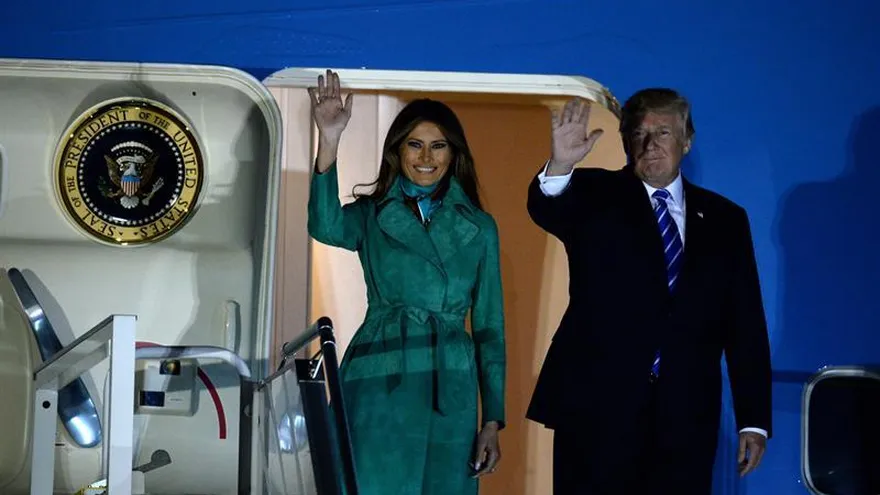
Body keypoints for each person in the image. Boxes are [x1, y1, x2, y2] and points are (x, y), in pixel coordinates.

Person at [525, 90, 772, 494]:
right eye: (639, 134)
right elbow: (548, 208)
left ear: (686, 141)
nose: (650, 144)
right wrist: (561, 165)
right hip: (597, 412)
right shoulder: (592, 195)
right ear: (625, 142)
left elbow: (744, 322)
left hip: (685, 418)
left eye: (663, 132)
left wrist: (754, 418)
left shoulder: (726, 219)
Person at [306, 70, 506, 495]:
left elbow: (490, 328)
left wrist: (492, 420)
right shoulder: (373, 214)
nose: (426, 157)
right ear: (397, 151)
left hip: (449, 385)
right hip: (380, 375)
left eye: (438, 146)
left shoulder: (480, 227)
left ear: (454, 154)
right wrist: (329, 140)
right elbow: (324, 225)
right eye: (415, 144)